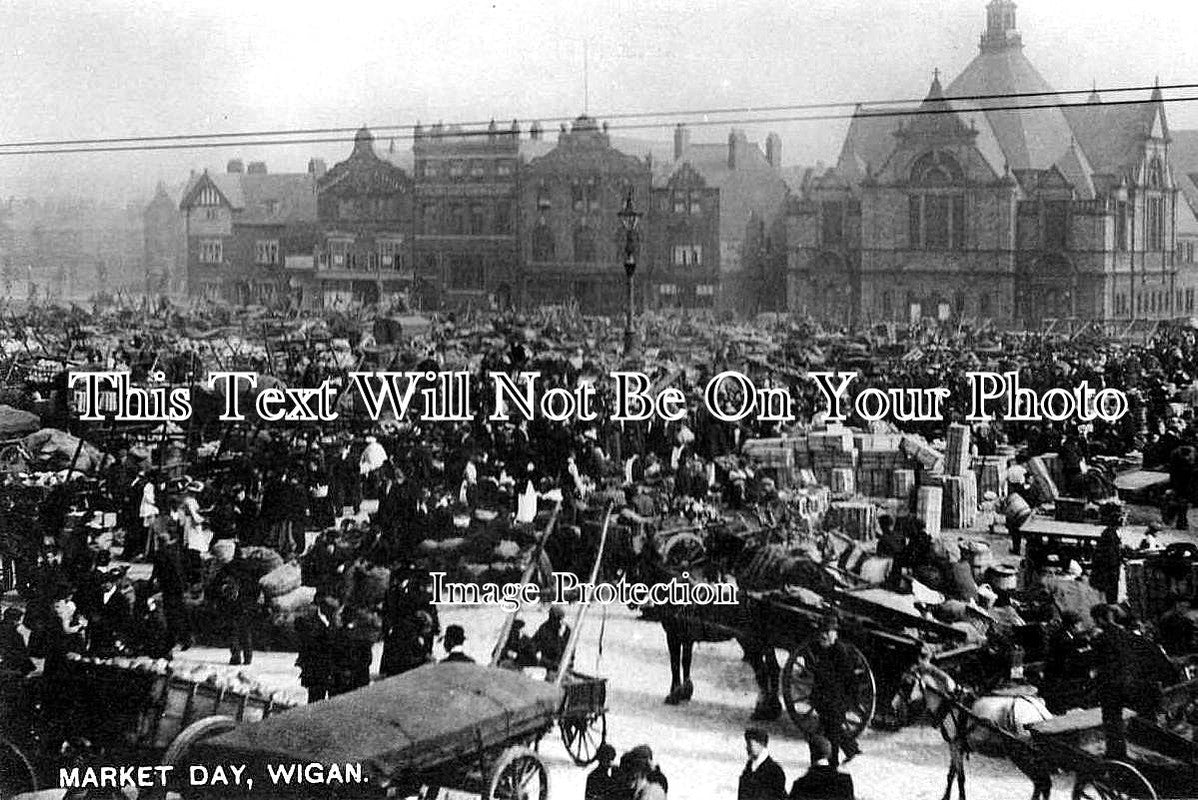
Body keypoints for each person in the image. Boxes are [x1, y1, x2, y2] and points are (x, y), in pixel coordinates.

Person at [808, 616, 861, 768]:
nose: (823, 635)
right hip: (825, 699)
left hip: (836, 700)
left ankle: (833, 763)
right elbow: (819, 677)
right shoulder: (824, 650)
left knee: (832, 732)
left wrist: (849, 701)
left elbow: (850, 679)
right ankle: (852, 750)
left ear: (835, 634)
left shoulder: (840, 652)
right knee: (832, 727)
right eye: (822, 632)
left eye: (828, 632)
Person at [1091, 603, 1129, 760]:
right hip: (1123, 681)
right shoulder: (1122, 633)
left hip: (1109, 684)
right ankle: (1120, 752)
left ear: (1100, 619)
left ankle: (1114, 753)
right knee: (1117, 718)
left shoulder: (1102, 637)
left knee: (1109, 719)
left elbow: (1095, 660)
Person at [296, 595, 340, 704]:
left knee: (332, 702)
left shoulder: (333, 623)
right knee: (315, 700)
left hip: (330, 670)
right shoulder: (311, 623)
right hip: (316, 670)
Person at [738, 727, 787, 800]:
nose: (747, 748)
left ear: (761, 744)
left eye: (750, 744)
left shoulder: (775, 771)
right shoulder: (749, 768)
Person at [1091, 503, 1125, 604]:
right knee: (1109, 587)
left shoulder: (1114, 532)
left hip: (1113, 565)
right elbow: (1109, 552)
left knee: (1113, 586)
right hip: (1109, 566)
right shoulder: (1109, 533)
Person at [529, 605, 571, 671]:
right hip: (545, 661)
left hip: (559, 664)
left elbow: (564, 649)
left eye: (553, 616)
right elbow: (535, 642)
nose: (550, 618)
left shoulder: (565, 630)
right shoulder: (545, 627)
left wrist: (560, 636)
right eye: (550, 615)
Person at [0, 607, 35, 676]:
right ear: (12, 620)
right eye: (18, 620)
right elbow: (22, 653)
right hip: (11, 665)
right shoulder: (15, 635)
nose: (19, 623)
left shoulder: (11, 632)